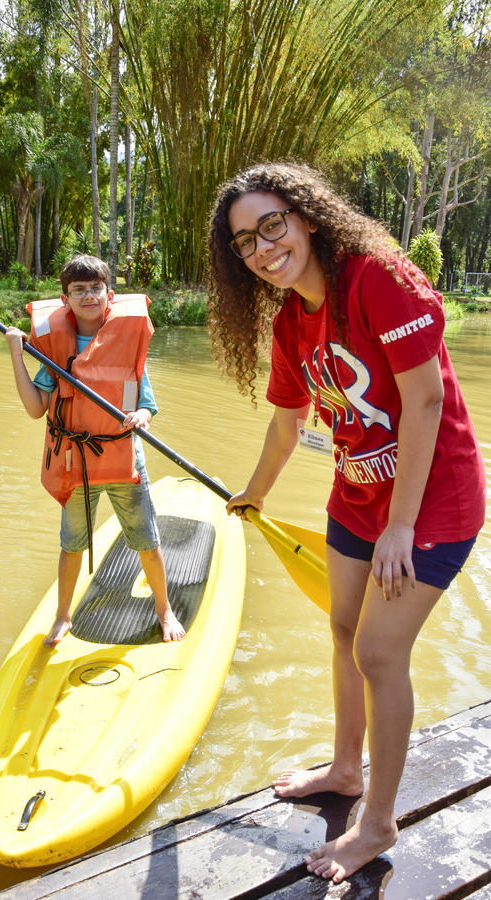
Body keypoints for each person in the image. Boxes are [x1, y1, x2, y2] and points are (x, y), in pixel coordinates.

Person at [206, 161, 486, 883]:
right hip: (356, 498)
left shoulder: (374, 277)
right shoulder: (293, 323)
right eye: (246, 241)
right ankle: (345, 769)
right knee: (341, 632)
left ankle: (379, 824)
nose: (264, 248)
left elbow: (424, 403)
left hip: (433, 503)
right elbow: (287, 423)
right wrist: (253, 495)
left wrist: (400, 526)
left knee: (379, 654)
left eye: (273, 225)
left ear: (306, 217)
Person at [5, 253, 185, 647]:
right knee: (71, 546)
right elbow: (36, 409)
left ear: (109, 294)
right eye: (78, 290)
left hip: (124, 462)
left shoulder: (128, 340)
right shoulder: (51, 349)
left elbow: (146, 404)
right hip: (75, 464)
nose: (88, 296)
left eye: (95, 288)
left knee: (147, 541)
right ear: (66, 298)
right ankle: (63, 616)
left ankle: (164, 609)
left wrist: (141, 415)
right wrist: (16, 355)